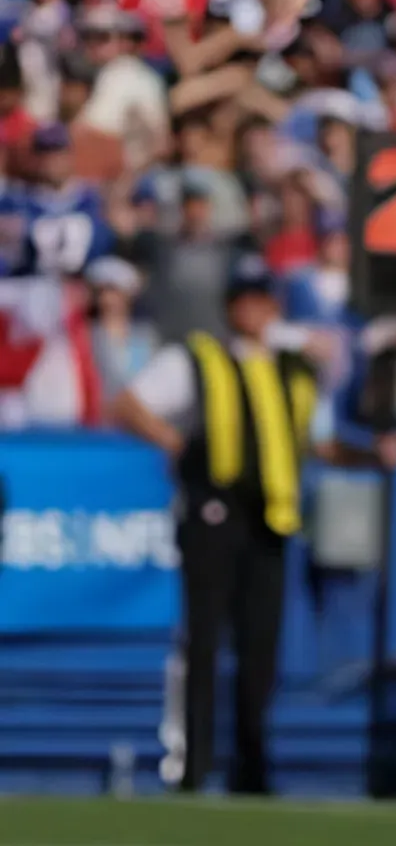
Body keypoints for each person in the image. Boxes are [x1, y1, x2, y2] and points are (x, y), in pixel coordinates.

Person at [109, 250, 331, 794]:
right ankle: (192, 763)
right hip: (214, 512)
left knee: (261, 646)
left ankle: (253, 763)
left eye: (264, 301)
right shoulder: (202, 359)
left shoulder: (291, 369)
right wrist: (179, 445)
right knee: (204, 639)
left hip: (272, 518)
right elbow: (131, 404)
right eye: (245, 301)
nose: (255, 312)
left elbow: (317, 437)